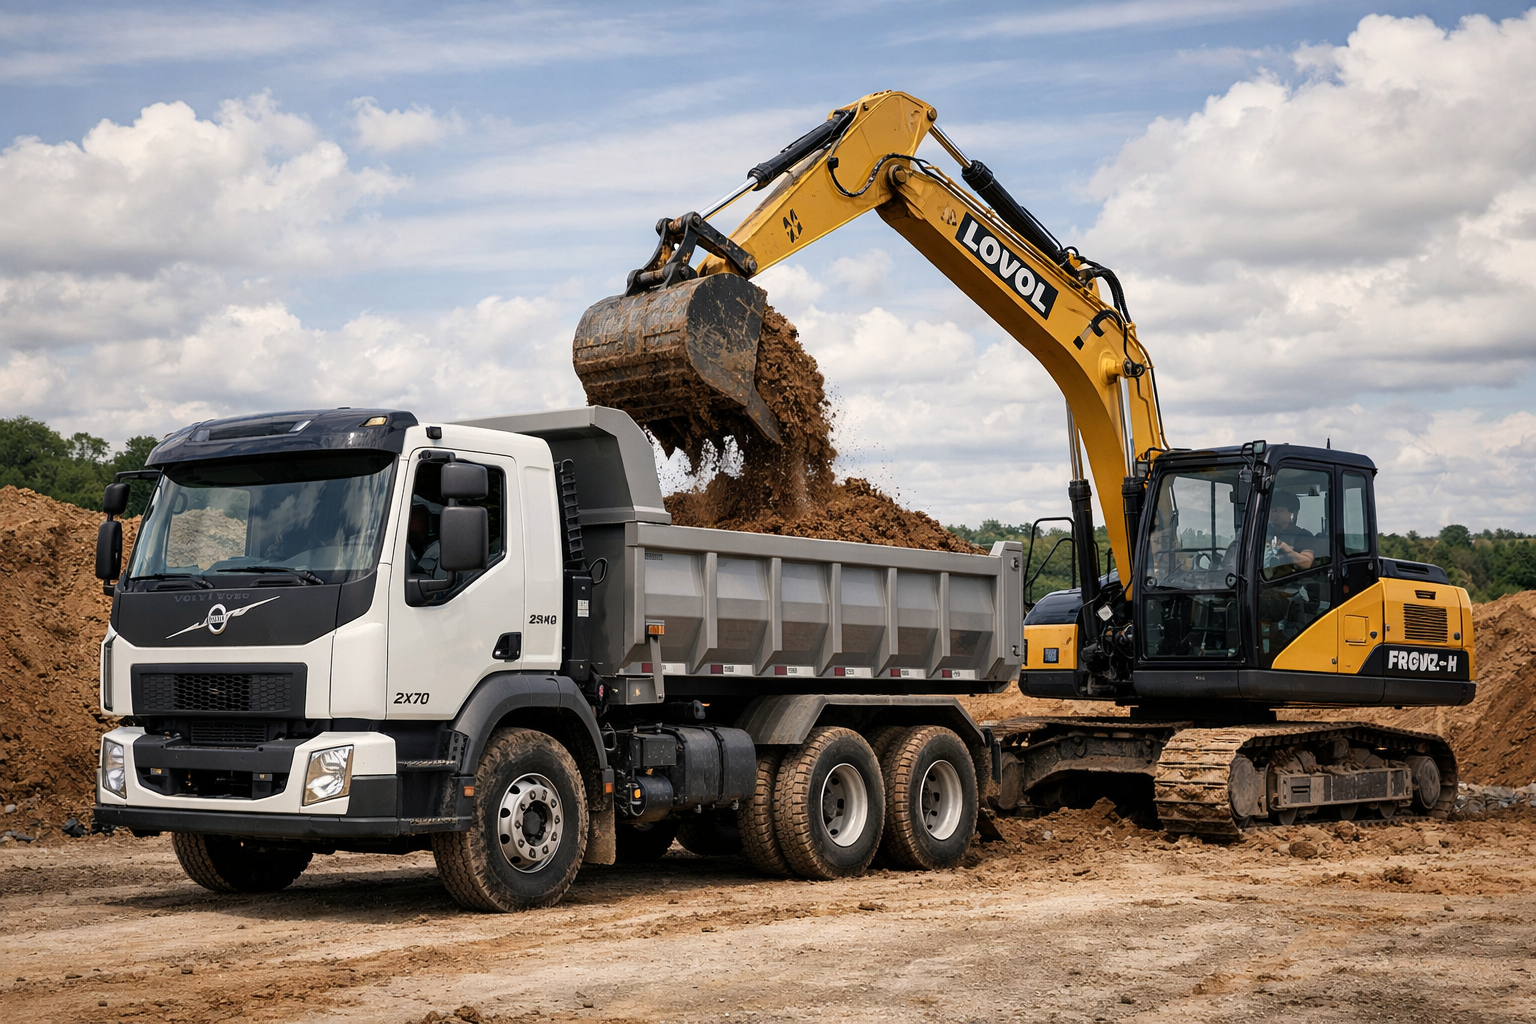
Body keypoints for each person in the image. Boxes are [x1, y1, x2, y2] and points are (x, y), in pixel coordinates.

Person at [1263, 491, 1316, 576]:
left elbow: (1307, 562)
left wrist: (1286, 549)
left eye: (1280, 510)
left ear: (1292, 513)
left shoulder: (1302, 535)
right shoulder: (1261, 533)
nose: (1274, 513)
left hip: (1291, 584)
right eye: (1272, 510)